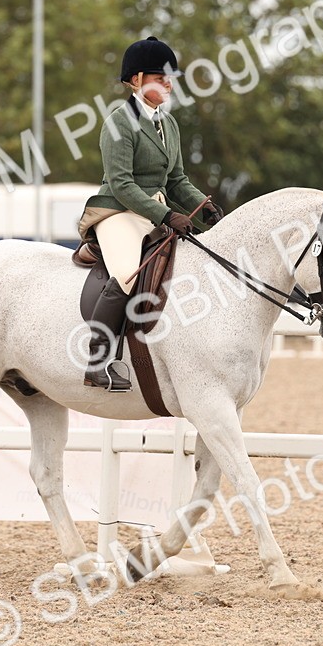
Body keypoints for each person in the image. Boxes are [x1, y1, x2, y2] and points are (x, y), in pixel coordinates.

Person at [76, 36, 223, 391]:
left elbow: (177, 180)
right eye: (162, 77)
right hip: (117, 211)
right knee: (128, 274)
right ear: (137, 80)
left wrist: (206, 211)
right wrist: (166, 216)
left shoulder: (168, 125)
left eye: (171, 78)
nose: (169, 84)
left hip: (153, 210)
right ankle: (98, 361)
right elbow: (123, 184)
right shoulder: (118, 123)